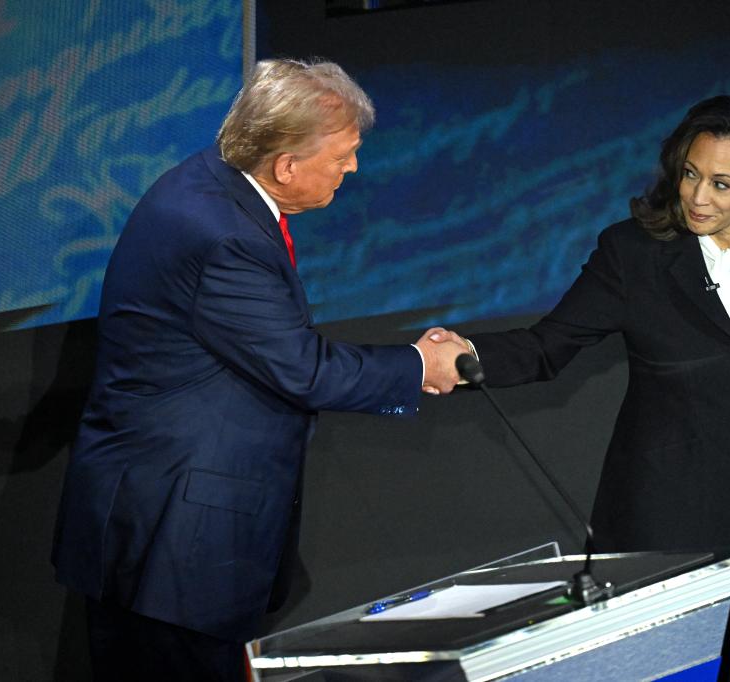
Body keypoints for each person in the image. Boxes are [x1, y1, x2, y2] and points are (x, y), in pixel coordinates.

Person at [51, 59, 468, 682]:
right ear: (286, 165)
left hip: (154, 521)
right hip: (176, 542)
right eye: (343, 156)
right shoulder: (225, 237)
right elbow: (301, 368)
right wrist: (419, 365)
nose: (352, 169)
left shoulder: (206, 183)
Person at [435, 95, 730, 681]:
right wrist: (464, 358)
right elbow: (547, 346)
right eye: (690, 174)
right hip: (667, 525)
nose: (697, 196)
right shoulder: (633, 252)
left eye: (720, 183)